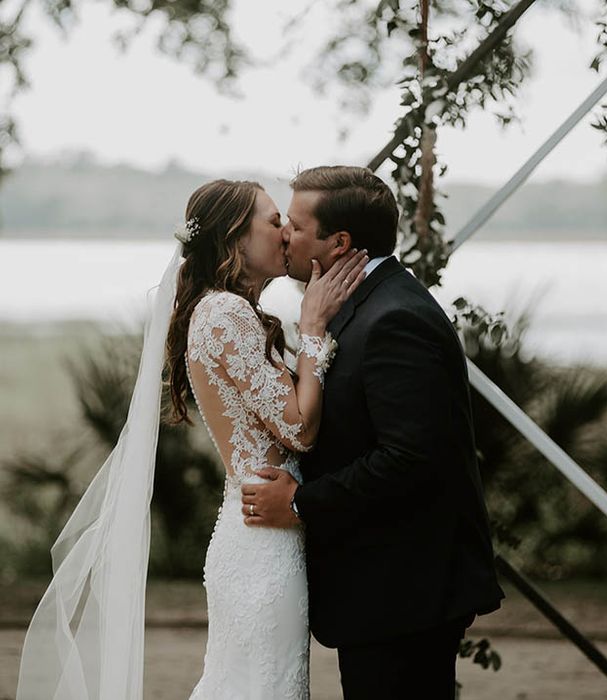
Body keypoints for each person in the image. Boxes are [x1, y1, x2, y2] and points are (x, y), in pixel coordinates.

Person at [16, 178, 367, 700]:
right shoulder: (225, 313)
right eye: (273, 222)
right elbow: (298, 426)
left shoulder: (227, 310)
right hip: (261, 544)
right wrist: (313, 326)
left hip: (262, 528)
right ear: (235, 239)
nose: (286, 233)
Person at [241, 165, 504, 699]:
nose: (284, 235)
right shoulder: (356, 304)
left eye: (295, 225)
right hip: (385, 587)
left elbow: (408, 457)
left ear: (338, 243)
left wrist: (300, 503)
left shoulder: (394, 319)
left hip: (406, 589)